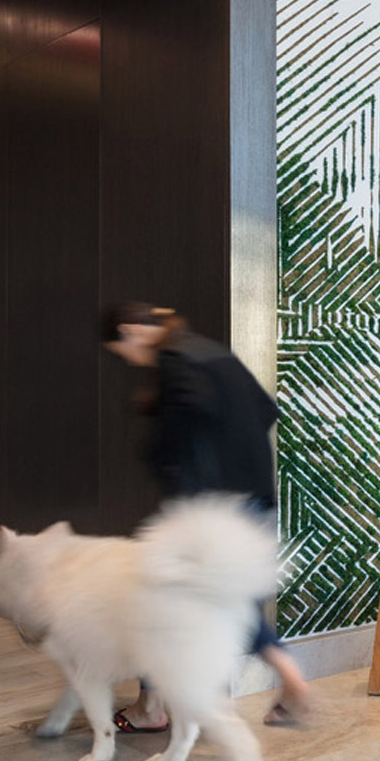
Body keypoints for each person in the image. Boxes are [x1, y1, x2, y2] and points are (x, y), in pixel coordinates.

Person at [101, 301, 311, 729]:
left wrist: (164, 459)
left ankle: (152, 707)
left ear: (130, 331)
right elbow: (267, 410)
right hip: (257, 494)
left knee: (152, 590)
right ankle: (288, 677)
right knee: (231, 599)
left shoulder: (176, 361)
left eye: (118, 349)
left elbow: (179, 427)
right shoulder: (211, 352)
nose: (124, 358)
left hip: (212, 506)